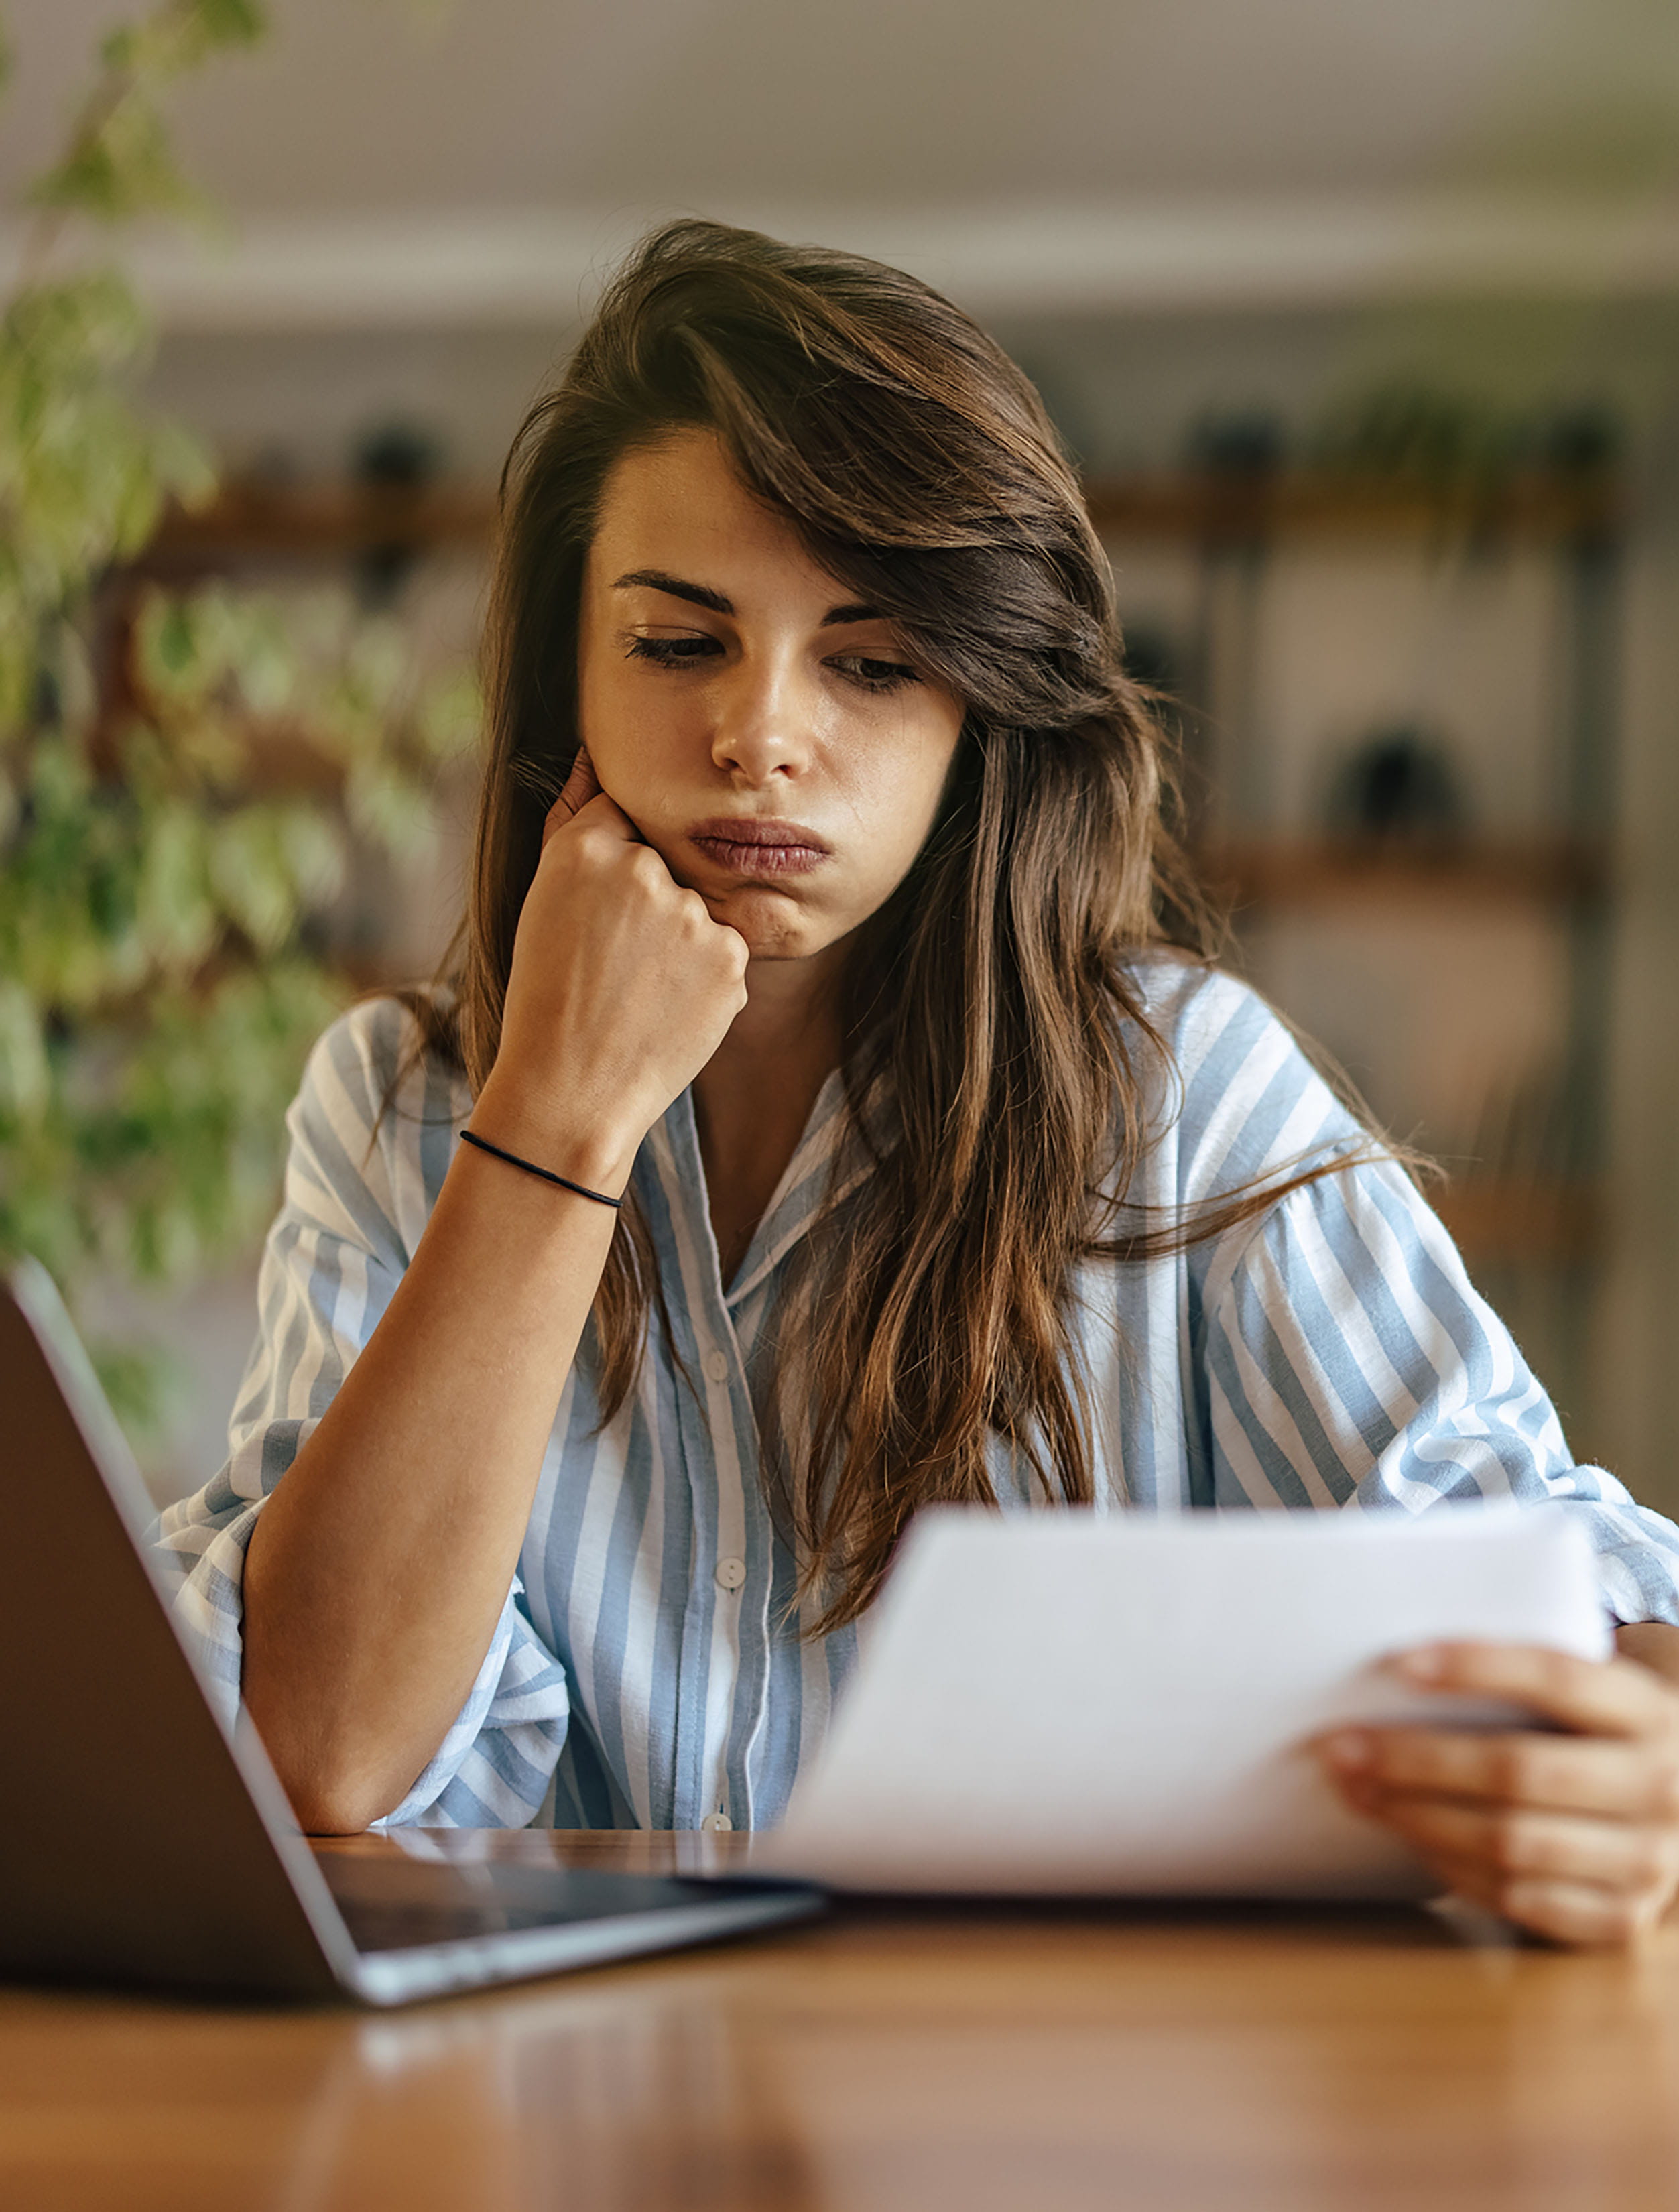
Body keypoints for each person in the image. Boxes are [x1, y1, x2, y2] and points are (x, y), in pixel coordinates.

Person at [160, 220, 1679, 1946]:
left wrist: (1646, 1752)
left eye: (871, 664)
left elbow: (1552, 1564)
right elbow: (322, 1749)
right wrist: (555, 1125)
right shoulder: (395, 1108)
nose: (761, 736)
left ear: (978, 720)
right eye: (677, 646)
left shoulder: (1176, 1089)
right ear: (562, 683)